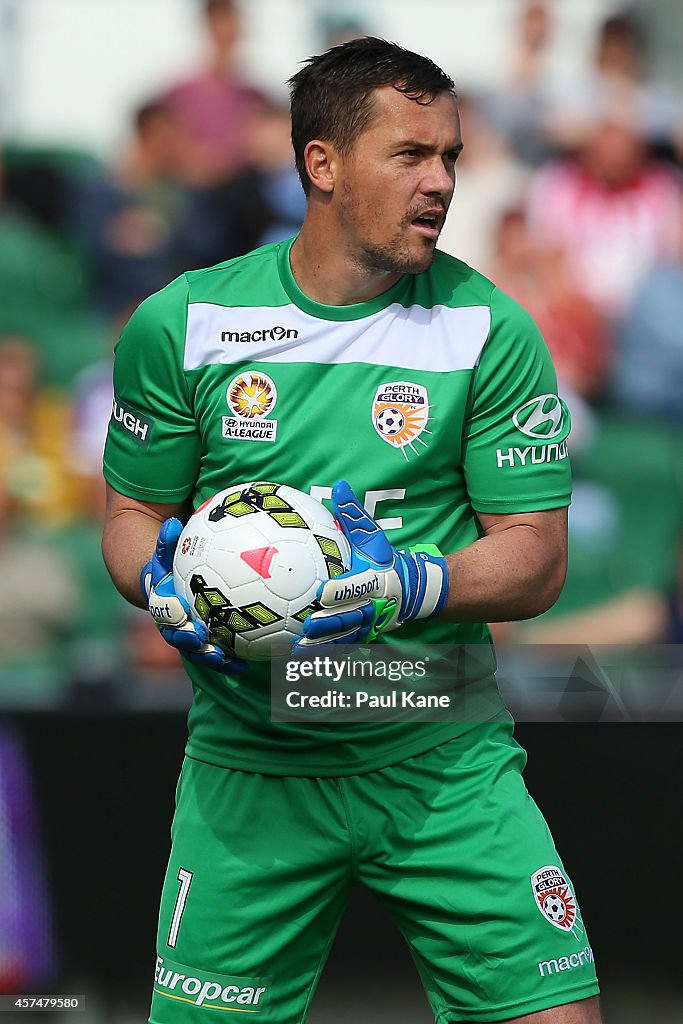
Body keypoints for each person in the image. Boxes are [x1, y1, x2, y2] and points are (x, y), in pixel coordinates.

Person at [102, 37, 602, 1024]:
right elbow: (129, 518)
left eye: (449, 156)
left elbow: (536, 556)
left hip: (438, 755)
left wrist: (409, 584)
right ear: (320, 163)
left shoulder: (486, 328)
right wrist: (158, 586)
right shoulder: (185, 322)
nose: (439, 182)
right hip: (253, 768)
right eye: (408, 154)